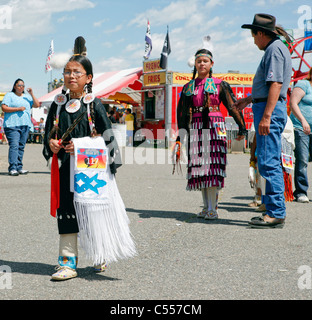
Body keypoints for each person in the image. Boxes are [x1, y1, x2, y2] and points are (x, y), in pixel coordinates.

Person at [43, 36, 136, 281]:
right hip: (66, 168)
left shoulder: (94, 105)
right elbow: (48, 134)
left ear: (88, 78)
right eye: (67, 72)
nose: (71, 76)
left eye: (77, 72)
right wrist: (51, 144)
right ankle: (67, 263)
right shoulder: (58, 104)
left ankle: (99, 253)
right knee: (66, 212)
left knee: (93, 212)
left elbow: (108, 139)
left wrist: (83, 147)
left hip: (91, 171)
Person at [233, 13, 292, 228]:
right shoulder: (276, 48)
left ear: (260, 33)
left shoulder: (274, 50)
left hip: (269, 109)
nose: (254, 41)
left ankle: (276, 212)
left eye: (253, 36)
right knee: (267, 159)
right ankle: (271, 208)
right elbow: (270, 86)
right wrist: (249, 99)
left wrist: (266, 116)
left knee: (268, 161)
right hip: (265, 105)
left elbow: (276, 84)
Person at [176, 48, 247, 220]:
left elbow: (232, 106)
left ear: (211, 64)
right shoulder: (188, 87)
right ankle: (206, 207)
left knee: (213, 167)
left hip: (215, 126)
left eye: (205, 61)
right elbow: (183, 112)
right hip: (197, 126)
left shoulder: (219, 84)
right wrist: (181, 136)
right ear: (195, 63)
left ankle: (213, 208)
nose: (202, 64)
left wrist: (242, 127)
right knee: (200, 168)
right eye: (199, 61)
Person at [1, 78, 39, 176]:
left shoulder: (27, 97)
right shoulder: (10, 95)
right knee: (14, 146)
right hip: (12, 125)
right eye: (19, 85)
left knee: (21, 147)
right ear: (14, 86)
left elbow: (37, 105)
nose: (21, 87)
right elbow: (4, 108)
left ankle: (19, 167)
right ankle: (12, 167)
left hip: (25, 124)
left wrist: (32, 94)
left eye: (23, 86)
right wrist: (18, 109)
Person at [289, 67, 312, 203]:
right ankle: (301, 192)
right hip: (301, 128)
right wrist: (303, 120)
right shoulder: (304, 84)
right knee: (302, 160)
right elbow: (293, 103)